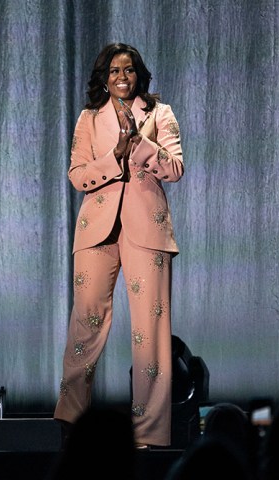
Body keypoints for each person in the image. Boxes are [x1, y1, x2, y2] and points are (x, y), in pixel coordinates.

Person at [54, 42, 184, 448]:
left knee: (151, 332)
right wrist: (115, 156)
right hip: (97, 231)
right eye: (114, 71)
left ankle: (150, 435)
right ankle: (71, 421)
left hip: (147, 230)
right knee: (86, 323)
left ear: (138, 74)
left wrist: (141, 147)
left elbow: (176, 167)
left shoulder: (159, 114)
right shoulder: (90, 118)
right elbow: (77, 176)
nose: (122, 77)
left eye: (128, 70)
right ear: (104, 78)